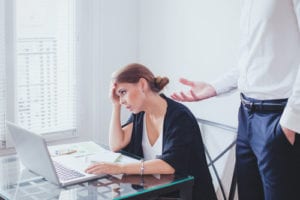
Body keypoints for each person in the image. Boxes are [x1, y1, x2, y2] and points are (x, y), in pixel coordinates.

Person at [171, 1, 300, 200]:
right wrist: (214, 87)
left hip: (278, 117)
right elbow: (249, 63)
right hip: (246, 116)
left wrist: (291, 121)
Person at [85, 63, 217, 200]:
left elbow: (169, 164)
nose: (122, 100)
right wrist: (115, 105)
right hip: (154, 193)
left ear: (142, 84)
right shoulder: (140, 114)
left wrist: (119, 168)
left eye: (123, 92)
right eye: (119, 95)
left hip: (185, 195)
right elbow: (116, 144)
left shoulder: (180, 117)